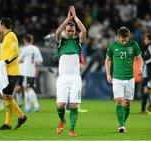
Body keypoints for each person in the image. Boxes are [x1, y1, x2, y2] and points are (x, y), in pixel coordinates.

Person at [105, 27, 143, 133]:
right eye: (122, 39)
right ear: (118, 37)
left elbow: (139, 58)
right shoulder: (113, 46)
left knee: (127, 104)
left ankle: (122, 123)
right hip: (117, 78)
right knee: (119, 100)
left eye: (126, 39)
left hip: (130, 78)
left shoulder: (134, 45)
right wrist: (108, 73)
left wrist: (140, 67)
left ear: (128, 37)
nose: (124, 41)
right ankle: (121, 126)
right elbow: (107, 59)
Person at [55, 5, 86, 136]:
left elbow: (83, 31)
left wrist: (76, 17)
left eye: (72, 31)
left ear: (74, 32)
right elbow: (57, 32)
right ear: (65, 31)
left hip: (75, 78)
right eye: (68, 31)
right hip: (62, 78)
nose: (70, 33)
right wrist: (67, 20)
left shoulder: (77, 42)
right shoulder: (60, 41)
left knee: (74, 105)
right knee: (60, 105)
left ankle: (72, 130)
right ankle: (62, 120)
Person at [0, 17, 27, 130]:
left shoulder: (11, 36)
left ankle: (13, 120)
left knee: (6, 96)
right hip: (6, 71)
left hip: (12, 71)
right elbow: (3, 56)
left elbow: (15, 53)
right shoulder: (6, 38)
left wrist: (5, 62)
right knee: (5, 96)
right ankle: (16, 118)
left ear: (3, 25)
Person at [19, 34, 43, 112]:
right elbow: (40, 60)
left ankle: (36, 106)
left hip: (26, 71)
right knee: (27, 89)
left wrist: (21, 61)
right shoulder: (36, 48)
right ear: (31, 40)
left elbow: (19, 59)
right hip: (32, 71)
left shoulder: (25, 49)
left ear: (25, 41)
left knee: (27, 88)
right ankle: (27, 107)